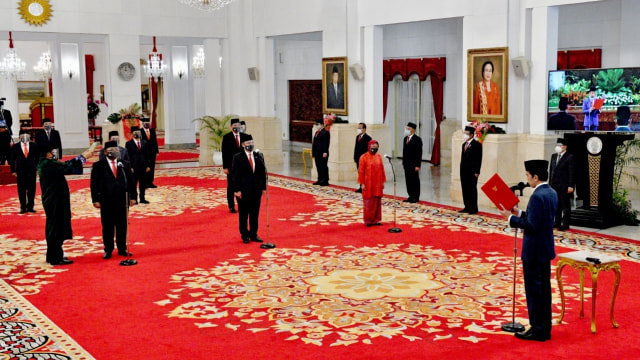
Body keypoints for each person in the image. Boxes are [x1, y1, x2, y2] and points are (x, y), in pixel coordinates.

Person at [499, 160, 557, 342]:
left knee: (534, 291)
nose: (526, 179)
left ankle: (537, 329)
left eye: (527, 175)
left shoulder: (537, 196)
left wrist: (510, 219)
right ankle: (543, 327)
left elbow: (532, 226)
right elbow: (539, 218)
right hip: (545, 248)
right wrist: (518, 212)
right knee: (544, 291)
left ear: (535, 176)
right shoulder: (551, 192)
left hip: (534, 250)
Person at [38, 146, 92, 265]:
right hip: (54, 199)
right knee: (55, 227)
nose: (53, 155)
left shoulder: (46, 163)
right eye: (51, 152)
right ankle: (55, 257)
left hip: (54, 198)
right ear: (46, 154)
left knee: (55, 226)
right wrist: (83, 157)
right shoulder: (48, 164)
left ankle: (54, 255)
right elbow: (67, 166)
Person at [90, 141, 137, 259]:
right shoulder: (98, 166)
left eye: (115, 149)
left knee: (122, 225)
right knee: (107, 226)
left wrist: (133, 197)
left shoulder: (124, 164)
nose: (114, 152)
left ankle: (122, 248)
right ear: (105, 152)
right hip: (106, 200)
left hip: (122, 200)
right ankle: (108, 249)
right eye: (110, 150)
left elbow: (131, 181)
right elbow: (94, 184)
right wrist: (95, 199)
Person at [232, 134, 267, 244]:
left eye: (251, 143)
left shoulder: (258, 156)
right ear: (243, 145)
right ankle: (244, 234)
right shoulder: (238, 158)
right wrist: (237, 190)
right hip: (243, 191)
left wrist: (263, 188)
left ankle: (253, 234)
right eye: (247, 143)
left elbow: (262, 173)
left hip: (256, 190)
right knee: (244, 214)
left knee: (254, 213)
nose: (250, 145)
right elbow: (235, 175)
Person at [10, 129, 39, 214]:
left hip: (31, 170)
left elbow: (37, 158)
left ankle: (30, 206)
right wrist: (13, 171)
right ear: (19, 137)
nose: (25, 138)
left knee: (31, 189)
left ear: (29, 137)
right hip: (20, 171)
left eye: (27, 136)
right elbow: (12, 159)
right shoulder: (15, 147)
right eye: (23, 136)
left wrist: (37, 168)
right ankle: (23, 207)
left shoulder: (34, 146)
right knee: (21, 190)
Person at [358, 140, 386, 226]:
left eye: (376, 147)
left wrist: (382, 182)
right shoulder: (364, 157)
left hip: (377, 183)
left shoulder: (379, 157)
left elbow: (382, 170)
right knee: (369, 202)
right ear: (369, 147)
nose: (374, 149)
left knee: (377, 201)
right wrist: (362, 183)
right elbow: (361, 171)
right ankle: (369, 220)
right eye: (372, 147)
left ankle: (376, 220)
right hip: (368, 183)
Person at [549, 138, 575, 231]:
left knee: (565, 205)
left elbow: (572, 173)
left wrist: (571, 186)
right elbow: (551, 171)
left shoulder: (570, 157)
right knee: (557, 204)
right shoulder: (554, 156)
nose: (558, 147)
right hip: (554, 185)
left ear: (565, 147)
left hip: (564, 185)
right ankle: (557, 221)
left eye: (560, 145)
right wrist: (550, 184)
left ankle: (565, 223)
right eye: (558, 145)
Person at [222, 118, 245, 213]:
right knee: (231, 186)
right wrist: (225, 167)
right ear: (231, 126)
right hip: (231, 166)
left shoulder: (244, 136)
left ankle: (241, 205)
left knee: (242, 186)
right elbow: (224, 153)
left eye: (238, 125)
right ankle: (231, 206)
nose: (236, 127)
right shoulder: (227, 137)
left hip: (242, 166)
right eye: (234, 125)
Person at [459, 125, 483, 214]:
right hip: (464, 171)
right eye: (464, 133)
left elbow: (478, 159)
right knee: (465, 188)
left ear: (471, 135)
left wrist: (477, 171)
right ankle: (467, 206)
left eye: (466, 133)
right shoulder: (463, 145)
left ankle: (473, 208)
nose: (464, 135)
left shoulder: (477, 145)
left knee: (472, 189)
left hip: (472, 172)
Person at [125, 126, 151, 204]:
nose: (137, 134)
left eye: (138, 132)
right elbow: (128, 156)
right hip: (134, 167)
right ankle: (134, 199)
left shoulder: (144, 142)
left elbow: (148, 155)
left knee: (143, 184)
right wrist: (130, 167)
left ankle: (142, 198)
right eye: (135, 132)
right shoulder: (129, 144)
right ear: (132, 134)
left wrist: (148, 165)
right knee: (133, 184)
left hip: (143, 166)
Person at [402, 122, 422, 203]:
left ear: (413, 130)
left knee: (414, 180)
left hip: (413, 164)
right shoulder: (405, 139)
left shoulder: (417, 139)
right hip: (406, 164)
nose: (406, 130)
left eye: (408, 129)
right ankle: (410, 195)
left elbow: (419, 153)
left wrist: (417, 165)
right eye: (406, 128)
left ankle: (415, 196)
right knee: (408, 180)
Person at [353, 122, 372, 193]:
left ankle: (366, 187)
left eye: (360, 128)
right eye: (358, 128)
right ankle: (361, 187)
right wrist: (355, 157)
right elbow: (356, 148)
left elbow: (369, 150)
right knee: (360, 173)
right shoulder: (357, 137)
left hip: (364, 159)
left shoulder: (368, 138)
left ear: (364, 129)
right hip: (358, 158)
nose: (358, 129)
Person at [140, 119, 159, 187]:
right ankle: (144, 182)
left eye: (148, 122)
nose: (147, 124)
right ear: (143, 123)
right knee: (145, 167)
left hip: (152, 152)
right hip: (144, 152)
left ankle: (150, 182)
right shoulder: (140, 131)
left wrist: (156, 151)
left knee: (152, 166)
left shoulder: (152, 131)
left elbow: (155, 141)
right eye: (145, 122)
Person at [312, 118, 331, 186]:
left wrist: (325, 152)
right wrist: (313, 152)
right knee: (318, 166)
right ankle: (319, 179)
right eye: (316, 124)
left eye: (318, 124)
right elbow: (314, 143)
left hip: (323, 152)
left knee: (323, 166)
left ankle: (325, 180)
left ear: (322, 125)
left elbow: (326, 143)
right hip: (317, 152)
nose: (316, 126)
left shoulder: (325, 132)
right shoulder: (317, 132)